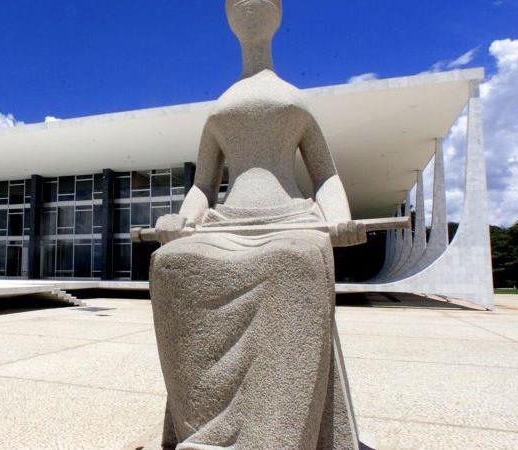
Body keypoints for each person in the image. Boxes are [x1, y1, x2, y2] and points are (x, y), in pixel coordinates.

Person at [149, 1, 361, 448]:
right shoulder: (219, 108)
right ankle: (201, 430)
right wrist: (182, 219)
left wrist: (338, 218)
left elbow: (326, 175)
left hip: (291, 220)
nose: (248, 9)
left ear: (278, 15)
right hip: (225, 224)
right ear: (227, 20)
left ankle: (275, 434)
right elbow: (203, 187)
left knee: (296, 261)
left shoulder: (294, 98)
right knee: (169, 264)